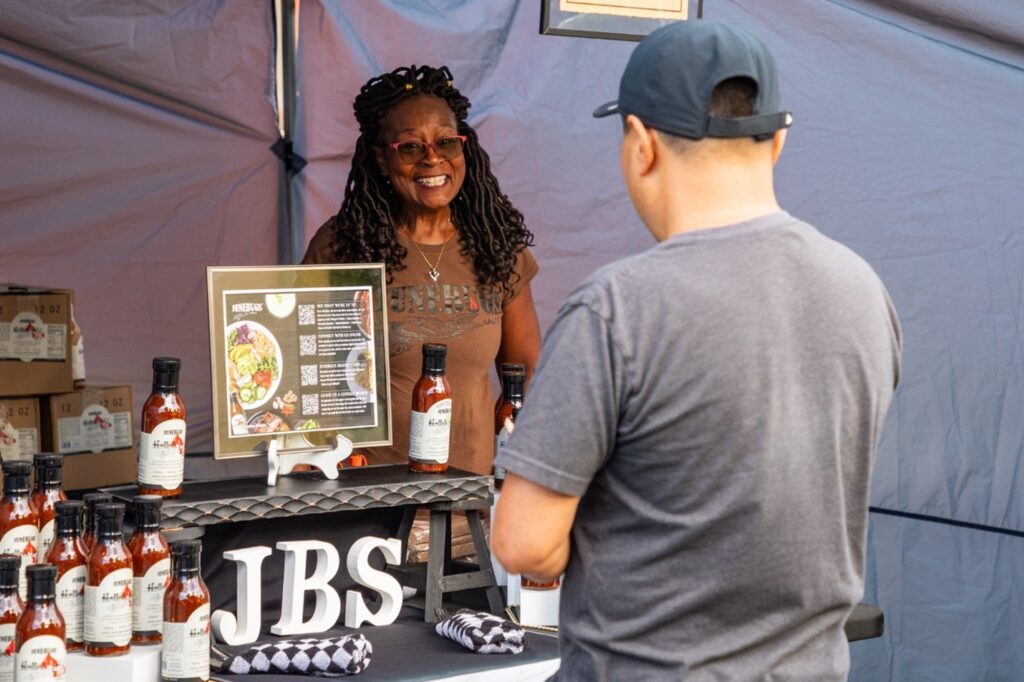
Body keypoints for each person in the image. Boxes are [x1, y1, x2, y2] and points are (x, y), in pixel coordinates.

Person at [492, 20, 901, 680]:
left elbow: (524, 544)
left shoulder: (616, 310)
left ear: (641, 145)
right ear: (778, 142)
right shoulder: (862, 288)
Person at [303, 65, 541, 475]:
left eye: (446, 142)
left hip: (468, 499)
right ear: (381, 158)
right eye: (411, 147)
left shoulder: (497, 245)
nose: (433, 158)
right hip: (365, 502)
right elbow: (303, 373)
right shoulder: (342, 246)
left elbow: (525, 375)